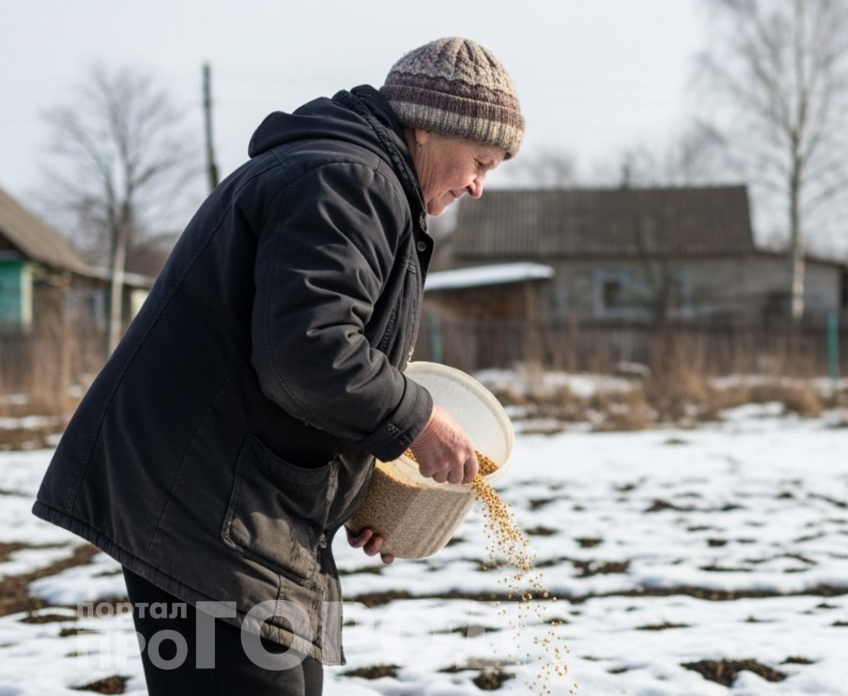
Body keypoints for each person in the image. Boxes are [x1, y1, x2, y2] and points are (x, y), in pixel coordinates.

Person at [31, 37, 524, 695]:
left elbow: (308, 362)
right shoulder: (350, 181)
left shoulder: (362, 181)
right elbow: (307, 353)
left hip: (245, 502)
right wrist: (417, 421)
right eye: (480, 161)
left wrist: (358, 495)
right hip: (202, 505)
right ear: (429, 124)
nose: (478, 186)